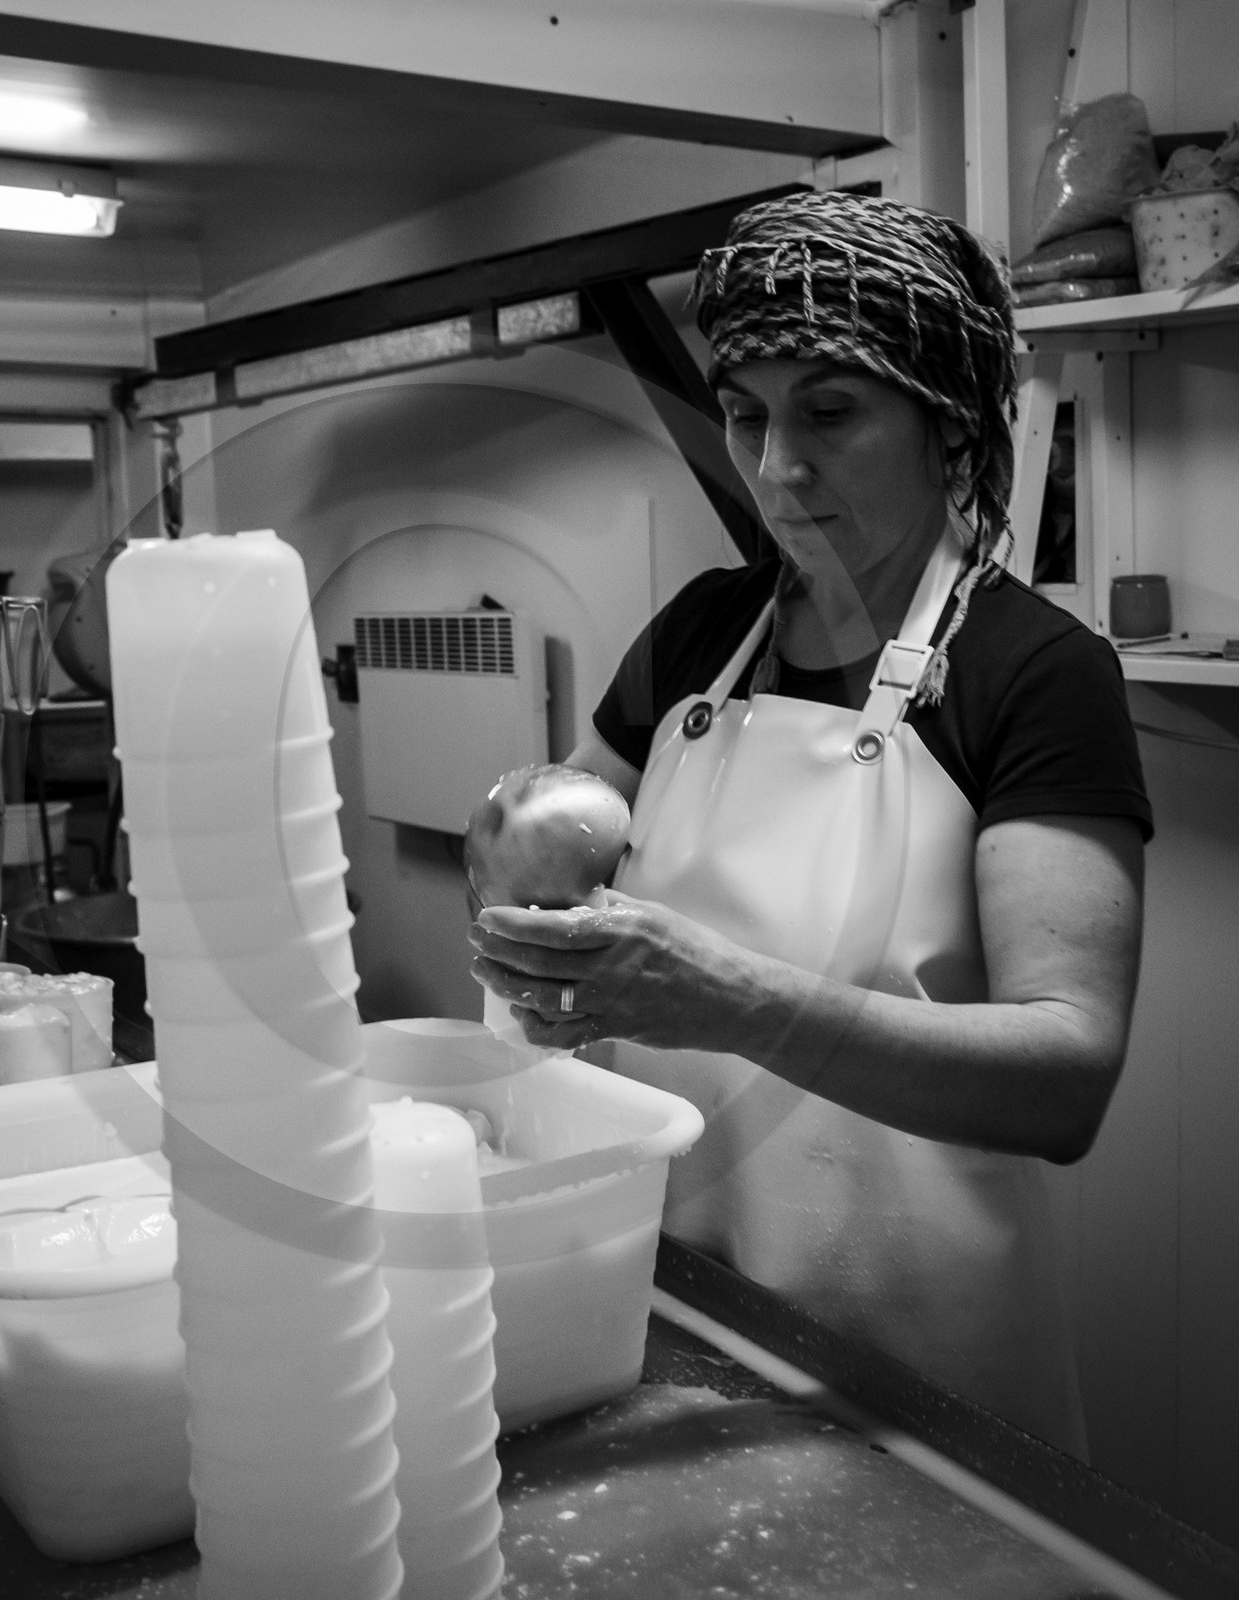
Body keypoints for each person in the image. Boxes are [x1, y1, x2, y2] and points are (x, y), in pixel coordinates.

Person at [467, 191, 1151, 1454]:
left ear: (946, 422)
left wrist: (728, 998)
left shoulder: (1031, 669)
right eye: (745, 414)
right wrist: (518, 907)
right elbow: (548, 854)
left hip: (917, 1359)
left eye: (829, 412)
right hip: (673, 1303)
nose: (777, 467)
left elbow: (1065, 1080)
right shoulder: (694, 637)